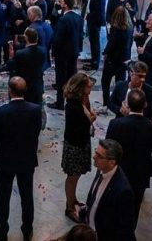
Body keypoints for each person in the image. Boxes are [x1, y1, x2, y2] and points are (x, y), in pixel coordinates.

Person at [0, 77, 43, 241]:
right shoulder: (35, 110)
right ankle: (27, 231)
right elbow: (36, 132)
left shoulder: (0, 112)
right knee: (27, 197)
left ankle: (2, 232)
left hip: (5, 160)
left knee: (3, 198)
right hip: (27, 159)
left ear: (10, 91)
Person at [105, 88, 152, 220]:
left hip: (118, 172)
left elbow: (108, 149)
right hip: (140, 175)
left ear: (127, 104)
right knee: (134, 208)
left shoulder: (115, 124)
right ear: (145, 105)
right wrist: (150, 171)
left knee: (115, 206)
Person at [78, 139, 136, 240]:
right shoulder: (102, 169)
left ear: (112, 163)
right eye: (96, 152)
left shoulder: (123, 191)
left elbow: (125, 228)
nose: (94, 157)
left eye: (99, 156)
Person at [60, 72, 96, 222]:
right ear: (80, 87)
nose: (91, 89)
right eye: (89, 86)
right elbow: (76, 128)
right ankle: (69, 207)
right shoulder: (72, 106)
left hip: (82, 142)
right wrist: (90, 120)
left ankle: (73, 199)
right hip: (74, 146)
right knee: (72, 177)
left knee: (77, 175)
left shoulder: (83, 99)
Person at [50, 0, 83, 110]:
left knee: (61, 78)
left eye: (62, 1)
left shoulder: (63, 19)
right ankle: (71, 100)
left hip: (63, 53)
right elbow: (80, 35)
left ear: (65, 4)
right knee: (71, 77)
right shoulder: (78, 18)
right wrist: (79, 49)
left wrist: (54, 51)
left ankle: (60, 102)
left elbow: (58, 38)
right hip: (74, 51)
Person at [100, 6, 133, 114]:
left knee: (105, 82)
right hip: (124, 60)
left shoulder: (116, 29)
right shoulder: (130, 28)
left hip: (113, 60)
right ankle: (118, 105)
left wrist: (105, 52)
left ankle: (106, 104)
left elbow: (111, 43)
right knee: (120, 83)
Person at [4, 27, 45, 105]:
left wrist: (11, 56)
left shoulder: (20, 53)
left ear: (26, 38)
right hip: (37, 84)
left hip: (24, 85)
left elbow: (10, 66)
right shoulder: (43, 50)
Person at [83, 0, 106, 70]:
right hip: (92, 20)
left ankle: (95, 62)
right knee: (92, 41)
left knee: (95, 42)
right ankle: (93, 59)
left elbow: (98, 10)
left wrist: (88, 16)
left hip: (95, 21)